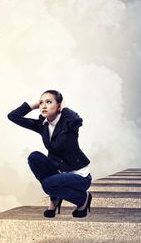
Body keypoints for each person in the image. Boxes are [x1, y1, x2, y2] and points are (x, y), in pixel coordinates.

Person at [8, 90, 92, 218]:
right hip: (61, 172)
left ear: (59, 106)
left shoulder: (69, 123)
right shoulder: (43, 125)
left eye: (48, 102)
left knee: (48, 185)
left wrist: (64, 108)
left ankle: (83, 199)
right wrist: (33, 105)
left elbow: (77, 120)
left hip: (79, 176)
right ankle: (55, 198)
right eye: (41, 103)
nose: (43, 106)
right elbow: (13, 116)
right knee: (34, 157)